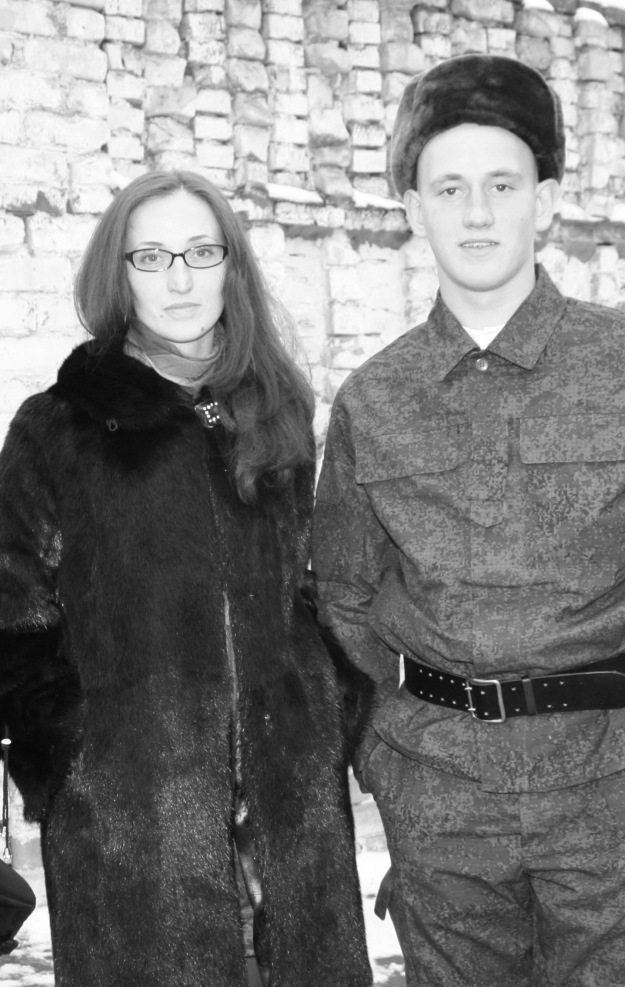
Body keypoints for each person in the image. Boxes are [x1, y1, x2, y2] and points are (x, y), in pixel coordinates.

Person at [311, 54, 625, 987]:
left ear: (546, 201)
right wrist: (383, 755)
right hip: (441, 800)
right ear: (413, 210)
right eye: (449, 188)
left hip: (621, 788)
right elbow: (342, 595)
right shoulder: (373, 400)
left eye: (503, 184)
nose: (476, 213)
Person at [0, 170, 372, 987]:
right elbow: (14, 623)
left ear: (231, 265)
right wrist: (75, 758)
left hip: (293, 817)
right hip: (132, 834)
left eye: (202, 252)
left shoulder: (276, 411)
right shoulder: (57, 428)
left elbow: (313, 590)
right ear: (119, 273)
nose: (179, 279)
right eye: (151, 256)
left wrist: (328, 711)